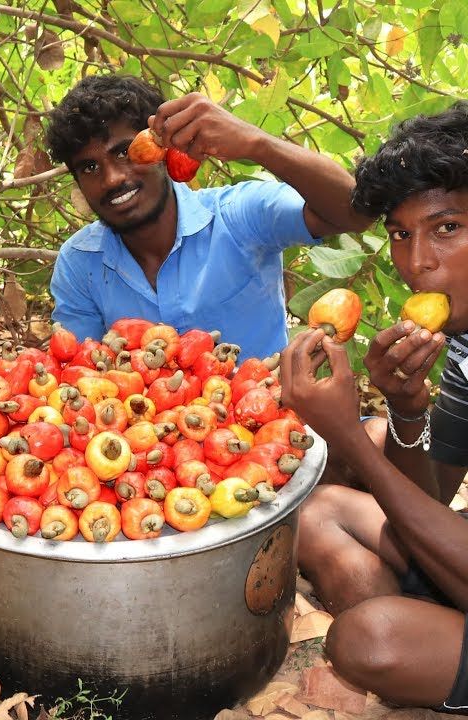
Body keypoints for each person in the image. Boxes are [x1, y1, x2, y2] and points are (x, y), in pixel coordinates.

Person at [280, 103, 468, 713]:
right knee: (318, 510)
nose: (417, 265)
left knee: (369, 640)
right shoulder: (462, 343)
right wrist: (406, 407)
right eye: (400, 234)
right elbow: (434, 506)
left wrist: (353, 439)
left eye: (446, 228)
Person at [45, 74, 374, 359]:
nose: (112, 178)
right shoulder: (79, 264)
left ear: (165, 150)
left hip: (272, 425)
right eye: (89, 167)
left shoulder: (239, 216)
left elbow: (354, 213)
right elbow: (80, 372)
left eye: (124, 151)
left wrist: (256, 144)